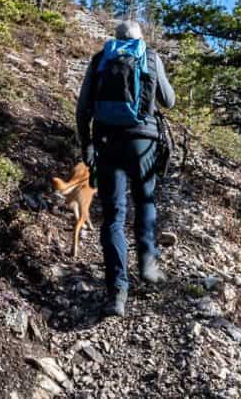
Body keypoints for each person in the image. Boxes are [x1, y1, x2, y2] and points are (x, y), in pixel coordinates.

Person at [76, 20, 175, 318]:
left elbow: (83, 109)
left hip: (107, 141)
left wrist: (87, 146)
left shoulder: (100, 60)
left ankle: (117, 291)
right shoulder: (151, 57)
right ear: (140, 39)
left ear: (115, 39)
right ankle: (147, 262)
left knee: (113, 217)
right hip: (143, 142)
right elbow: (168, 101)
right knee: (145, 200)